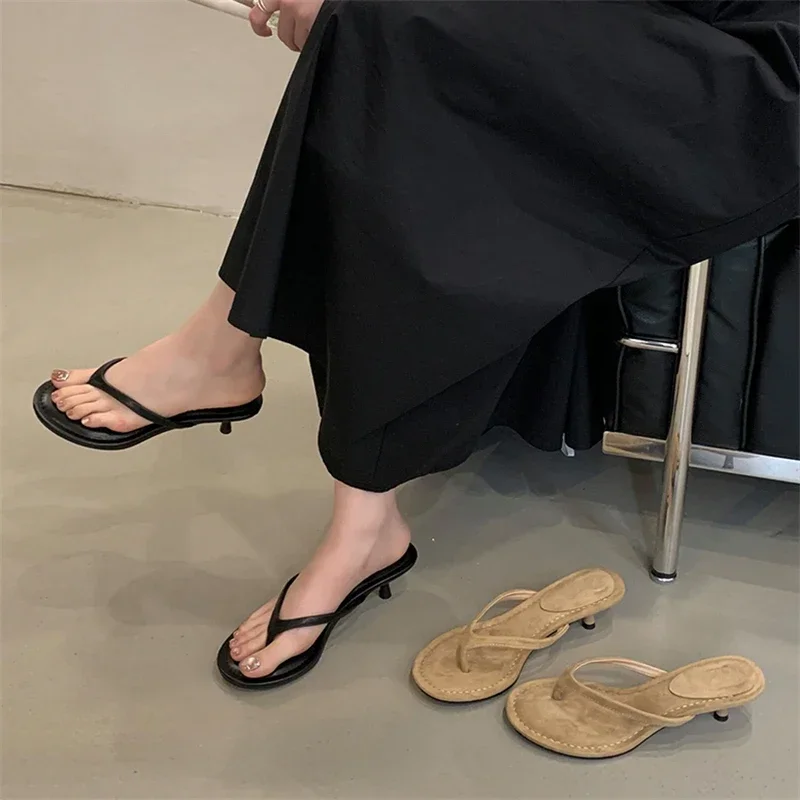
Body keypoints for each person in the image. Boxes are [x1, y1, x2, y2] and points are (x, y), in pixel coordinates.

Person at [34, 1, 798, 688]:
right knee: (377, 23)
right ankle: (339, 492)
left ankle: (231, 362)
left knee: (379, 22)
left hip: (765, 63)